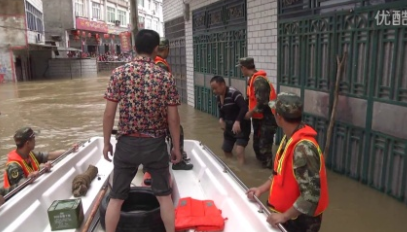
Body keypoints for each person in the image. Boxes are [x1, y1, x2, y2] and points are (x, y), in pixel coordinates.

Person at [102, 29, 182, 232]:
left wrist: (105, 142)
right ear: (156, 49)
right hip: (155, 144)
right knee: (164, 197)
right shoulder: (165, 77)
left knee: (116, 198)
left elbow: (109, 114)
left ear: (135, 48)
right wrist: (177, 147)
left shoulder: (119, 74)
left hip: (126, 144)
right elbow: (173, 119)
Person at [246, 92, 329, 232]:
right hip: (288, 216)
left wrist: (284, 216)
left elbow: (310, 196)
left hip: (300, 221)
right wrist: (261, 189)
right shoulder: (289, 137)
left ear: (279, 117)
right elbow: (278, 174)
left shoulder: (303, 149)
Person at [154, 37, 193, 170]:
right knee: (177, 130)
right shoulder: (161, 65)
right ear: (166, 49)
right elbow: (163, 89)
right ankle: (177, 160)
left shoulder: (153, 62)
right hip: (162, 107)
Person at [3, 127, 78, 188]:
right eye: (34, 139)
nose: (35, 141)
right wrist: (30, 178)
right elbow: (20, 185)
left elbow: (49, 155)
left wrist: (69, 150)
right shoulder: (13, 166)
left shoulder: (30, 154)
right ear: (28, 143)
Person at [236, 57, 277, 168]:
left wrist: (249, 113)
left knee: (264, 149)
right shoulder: (252, 79)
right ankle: (261, 172)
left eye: (240, 68)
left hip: (267, 119)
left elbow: (263, 103)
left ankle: (269, 173)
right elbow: (251, 99)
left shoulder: (259, 81)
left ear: (244, 68)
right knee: (257, 147)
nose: (241, 71)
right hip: (259, 119)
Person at [210, 76, 251, 165]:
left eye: (215, 88)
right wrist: (221, 119)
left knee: (239, 152)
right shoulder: (218, 97)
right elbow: (221, 110)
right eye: (213, 89)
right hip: (229, 127)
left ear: (223, 85)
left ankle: (242, 171)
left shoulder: (234, 93)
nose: (214, 91)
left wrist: (238, 121)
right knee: (226, 150)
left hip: (241, 126)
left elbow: (244, 107)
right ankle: (233, 168)